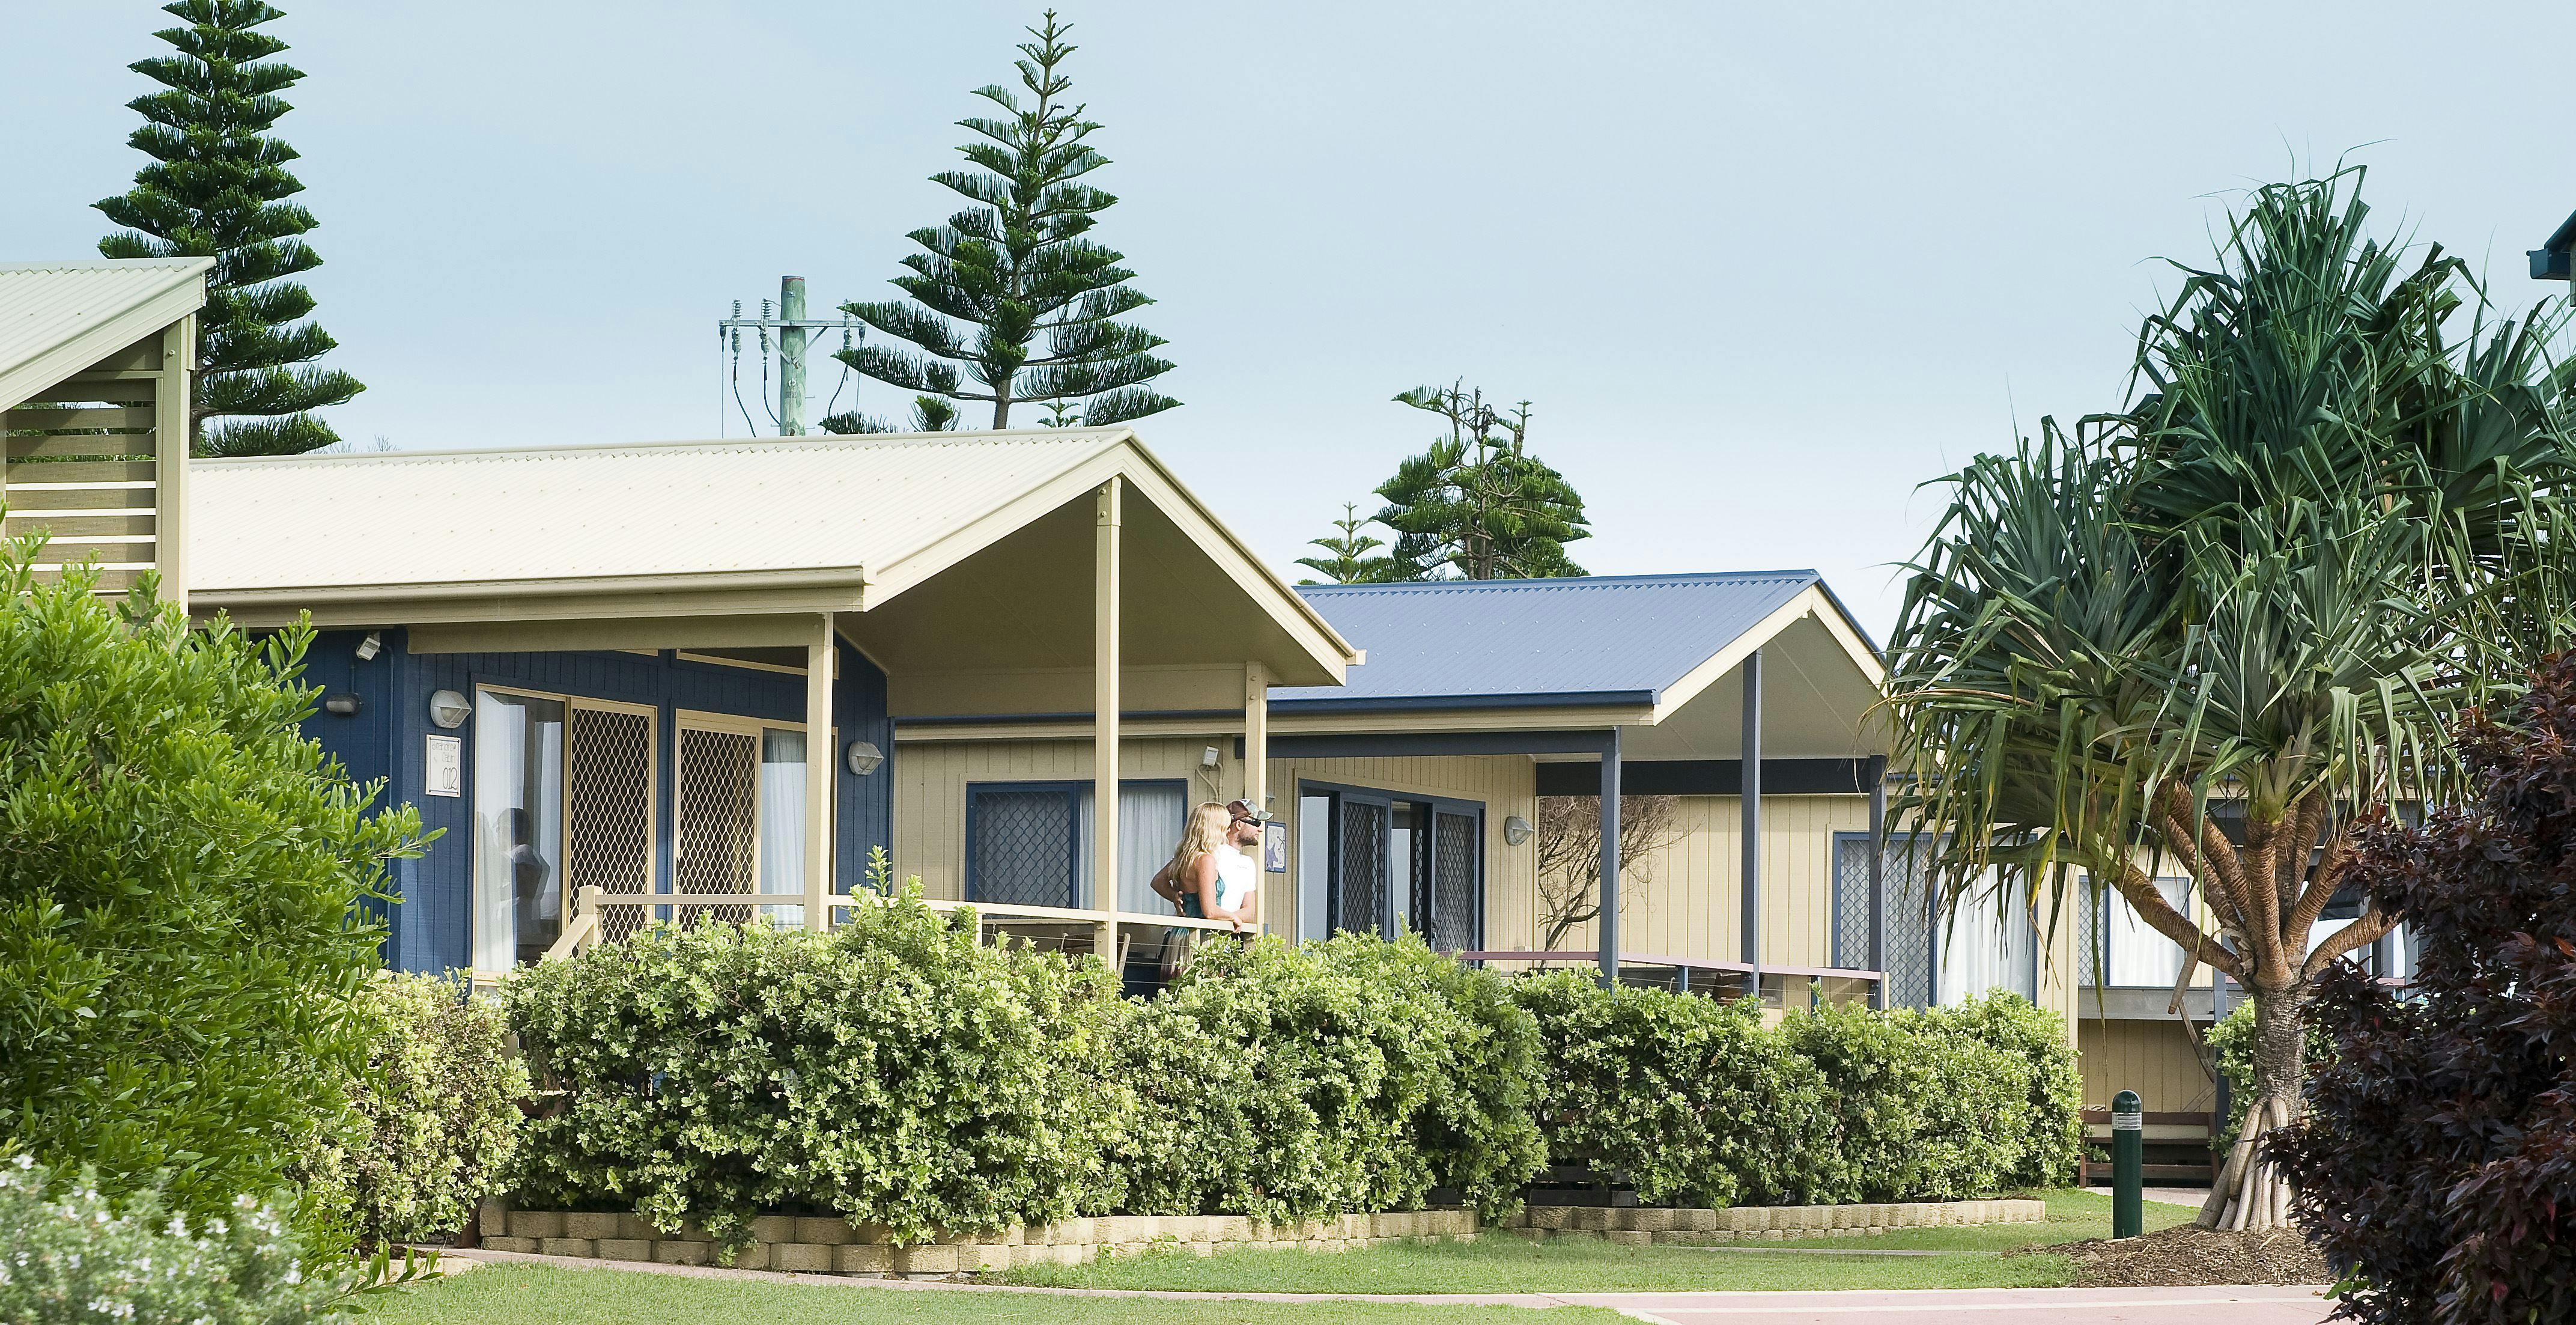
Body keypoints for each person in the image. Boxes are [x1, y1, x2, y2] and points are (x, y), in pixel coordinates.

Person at [1150, 799, 1264, 933]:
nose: (1228, 829)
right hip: (1197, 936)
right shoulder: (1206, 858)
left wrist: (1177, 897)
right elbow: (1210, 911)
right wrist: (1233, 917)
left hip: (1190, 933)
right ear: (1215, 827)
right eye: (1225, 825)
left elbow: (1158, 881)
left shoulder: (1190, 855)